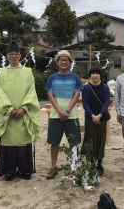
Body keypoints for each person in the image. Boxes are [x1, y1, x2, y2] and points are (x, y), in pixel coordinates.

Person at [0, 40, 40, 181]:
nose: (14, 56)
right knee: (8, 142)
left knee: (23, 141)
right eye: (11, 54)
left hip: (23, 114)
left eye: (16, 54)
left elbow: (32, 92)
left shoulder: (28, 73)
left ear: (20, 56)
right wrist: (8, 109)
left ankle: (25, 169)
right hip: (7, 115)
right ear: (7, 56)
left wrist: (24, 108)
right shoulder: (2, 73)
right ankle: (9, 170)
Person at [45, 50, 83, 179]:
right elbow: (50, 94)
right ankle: (53, 167)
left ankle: (74, 166)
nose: (64, 62)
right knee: (54, 143)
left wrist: (66, 111)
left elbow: (77, 94)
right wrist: (60, 111)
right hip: (56, 115)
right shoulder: (52, 78)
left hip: (71, 115)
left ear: (70, 62)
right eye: (61, 59)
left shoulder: (75, 77)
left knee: (73, 142)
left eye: (66, 60)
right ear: (57, 62)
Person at [81, 66, 110, 175]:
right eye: (93, 73)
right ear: (90, 75)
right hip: (90, 118)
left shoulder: (105, 87)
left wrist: (100, 115)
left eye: (97, 73)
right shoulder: (86, 88)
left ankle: (99, 163)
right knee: (90, 140)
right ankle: (91, 162)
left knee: (101, 140)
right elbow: (85, 103)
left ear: (100, 75)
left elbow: (107, 102)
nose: (95, 75)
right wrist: (93, 116)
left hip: (102, 118)